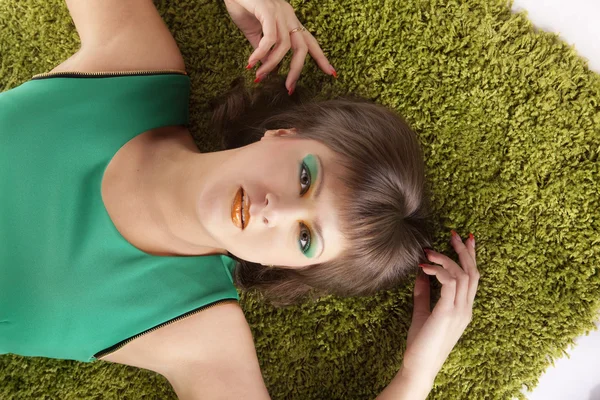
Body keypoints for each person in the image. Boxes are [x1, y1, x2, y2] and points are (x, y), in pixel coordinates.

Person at [0, 0, 480, 398]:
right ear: (284, 133)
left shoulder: (200, 333)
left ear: (293, 268)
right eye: (306, 178)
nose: (277, 211)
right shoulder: (135, 71)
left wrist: (416, 377)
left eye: (306, 238)